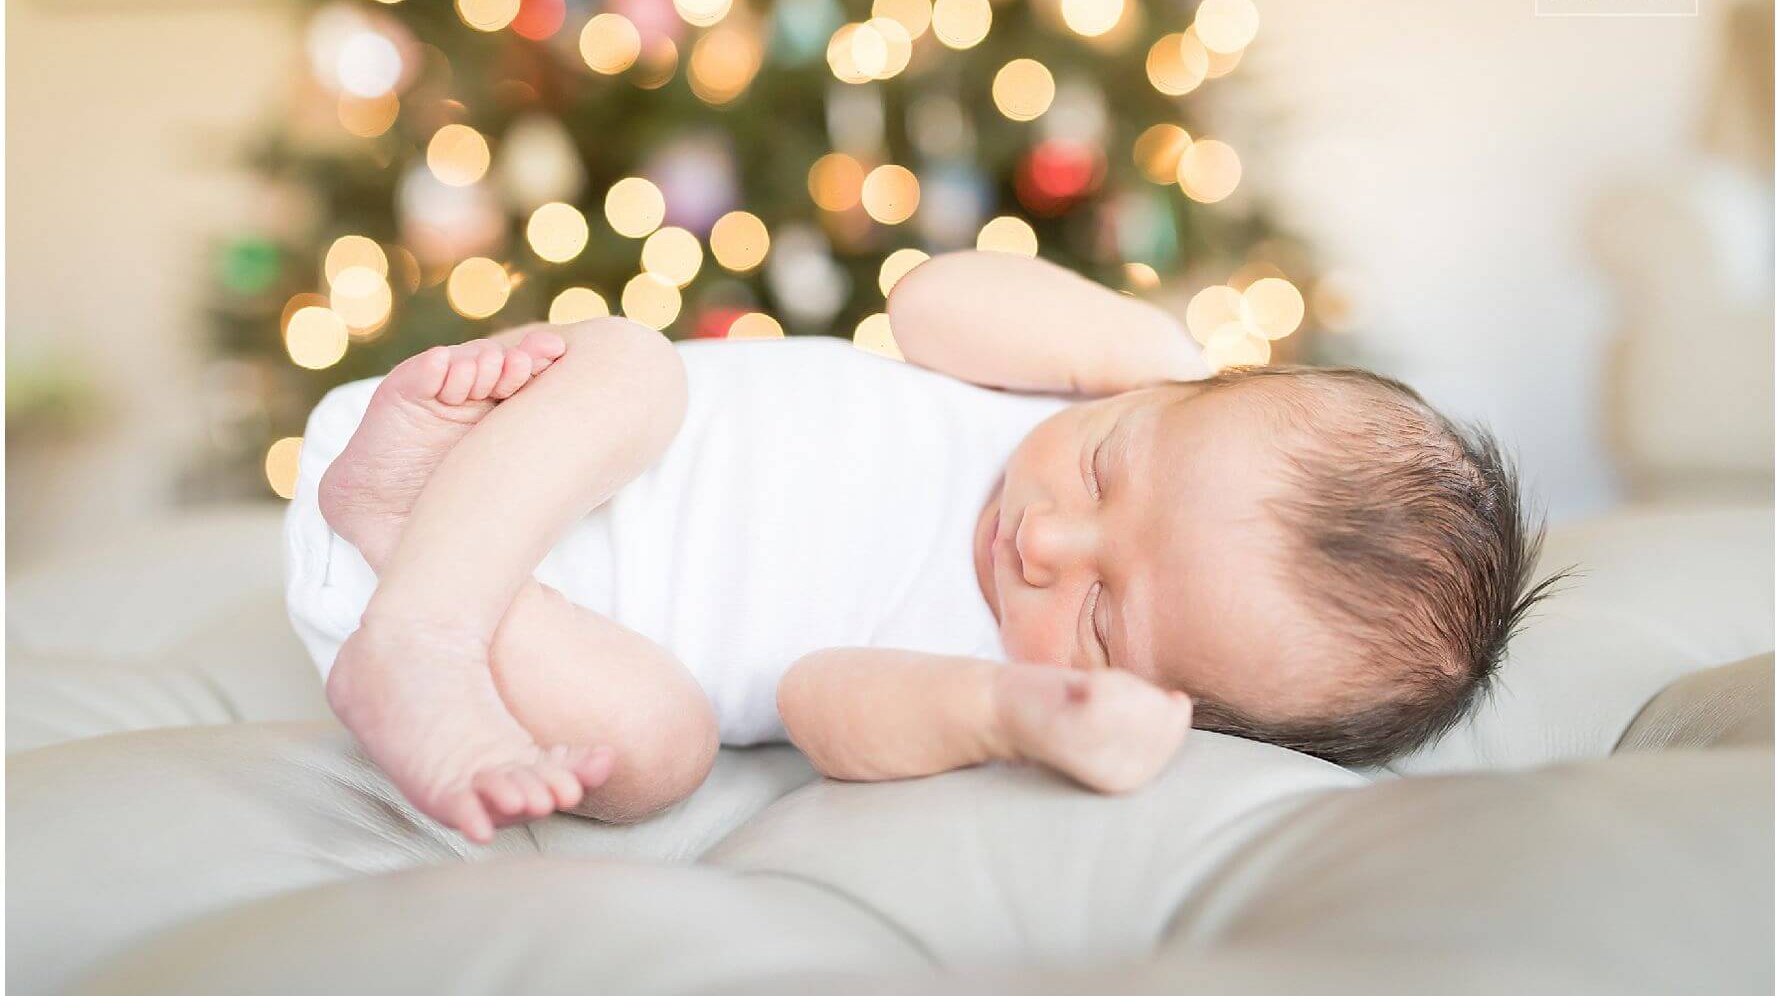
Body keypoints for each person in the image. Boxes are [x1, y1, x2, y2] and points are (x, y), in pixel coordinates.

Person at [286, 250, 1558, 843]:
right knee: (630, 368)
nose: (1047, 539)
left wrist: (1004, 709)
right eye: (1111, 467)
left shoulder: (981, 664)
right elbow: (926, 301)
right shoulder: (1064, 388)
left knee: (659, 754)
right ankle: (422, 623)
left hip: (545, 636)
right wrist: (1158, 362)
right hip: (481, 448)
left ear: (1151, 699)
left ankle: (406, 569)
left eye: (1105, 618)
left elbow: (814, 701)